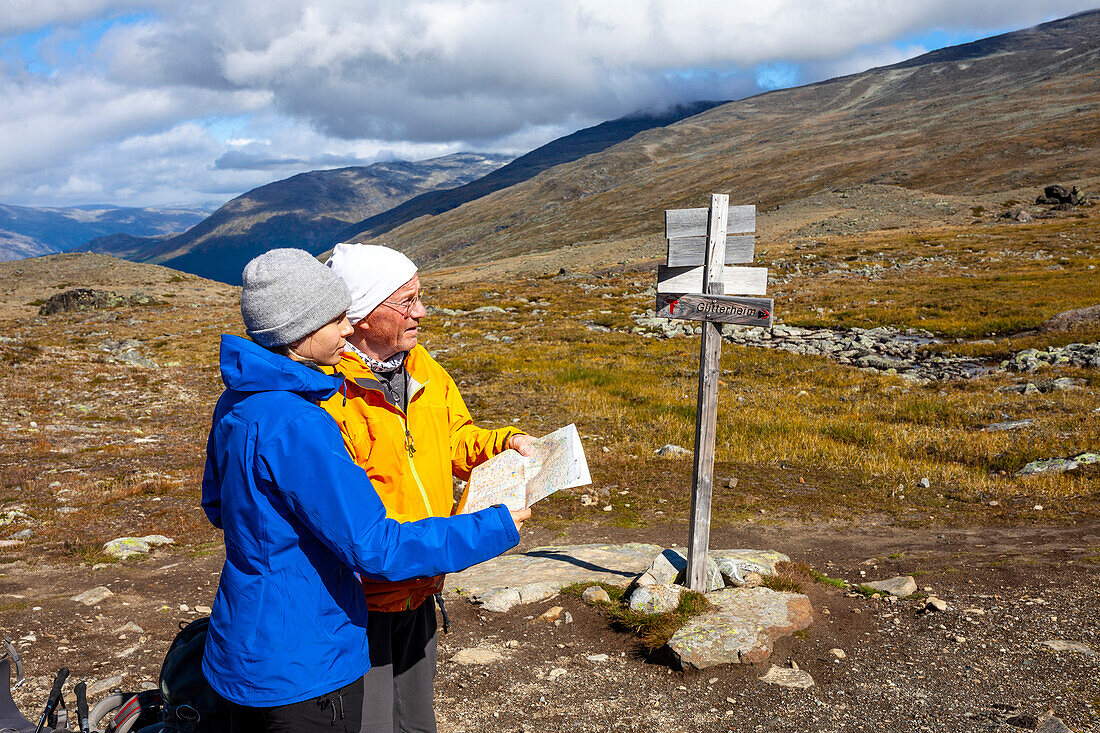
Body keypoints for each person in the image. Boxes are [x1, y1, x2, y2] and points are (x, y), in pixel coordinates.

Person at [201, 248, 530, 733]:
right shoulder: (303, 417)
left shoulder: (239, 401)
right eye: (338, 318)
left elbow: (219, 506)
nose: (347, 329)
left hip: (259, 634)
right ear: (304, 328)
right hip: (314, 642)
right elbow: (374, 546)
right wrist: (494, 525)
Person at [321, 242, 535, 733]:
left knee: (416, 722)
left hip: (423, 580)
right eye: (406, 301)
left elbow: (453, 437)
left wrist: (504, 442)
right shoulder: (332, 394)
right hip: (361, 599)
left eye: (420, 296)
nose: (421, 312)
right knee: (369, 724)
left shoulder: (423, 367)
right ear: (360, 316)